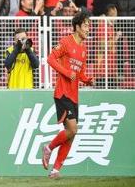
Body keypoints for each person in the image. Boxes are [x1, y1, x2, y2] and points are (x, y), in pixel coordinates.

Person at [42, 10, 94, 179]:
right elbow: (50, 59)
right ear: (77, 26)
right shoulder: (66, 41)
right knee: (72, 129)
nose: (88, 29)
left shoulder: (84, 49)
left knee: (71, 134)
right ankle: (48, 148)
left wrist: (87, 80)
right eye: (85, 25)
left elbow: (80, 73)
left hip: (74, 96)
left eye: (89, 26)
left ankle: (56, 170)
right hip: (62, 93)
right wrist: (66, 72)